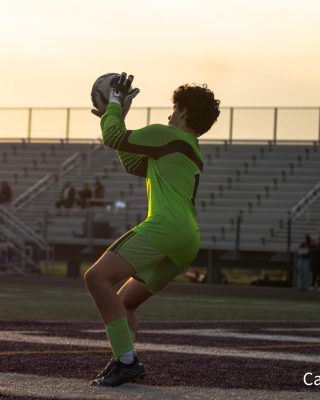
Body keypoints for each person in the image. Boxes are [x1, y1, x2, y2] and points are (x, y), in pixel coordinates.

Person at [84, 76, 220, 387]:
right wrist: (113, 116)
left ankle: (127, 361)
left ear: (183, 112)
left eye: (174, 108)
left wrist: (114, 108)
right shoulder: (189, 147)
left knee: (95, 278)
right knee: (126, 302)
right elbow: (133, 163)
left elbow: (113, 136)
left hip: (166, 227)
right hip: (187, 239)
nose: (170, 114)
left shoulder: (166, 134)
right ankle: (124, 356)